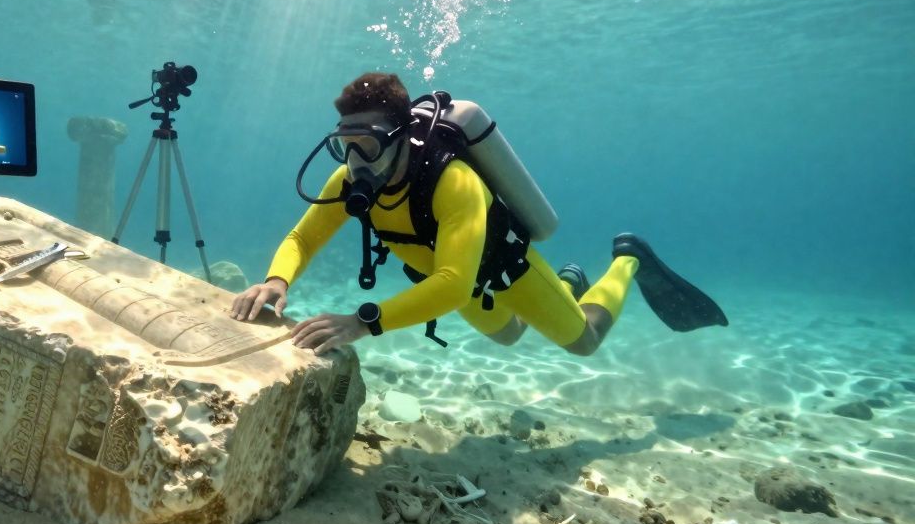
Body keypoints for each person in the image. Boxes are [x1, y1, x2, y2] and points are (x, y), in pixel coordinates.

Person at [229, 72, 726, 356]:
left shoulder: (454, 183)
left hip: (498, 274)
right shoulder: (348, 180)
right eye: (346, 146)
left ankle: (627, 260)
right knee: (510, 335)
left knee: (585, 342)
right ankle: (571, 282)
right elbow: (303, 239)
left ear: (400, 137)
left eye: (369, 145)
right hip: (447, 280)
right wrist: (277, 280)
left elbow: (453, 285)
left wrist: (362, 321)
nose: (357, 161)